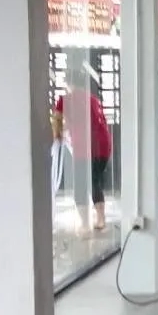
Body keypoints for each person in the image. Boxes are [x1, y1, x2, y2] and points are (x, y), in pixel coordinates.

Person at [52, 71, 113, 232]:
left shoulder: (65, 100)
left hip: (86, 147)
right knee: (95, 181)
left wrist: (57, 135)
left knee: (80, 186)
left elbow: (57, 120)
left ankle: (85, 223)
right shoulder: (92, 99)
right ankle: (100, 219)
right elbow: (83, 121)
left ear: (68, 84)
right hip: (104, 145)